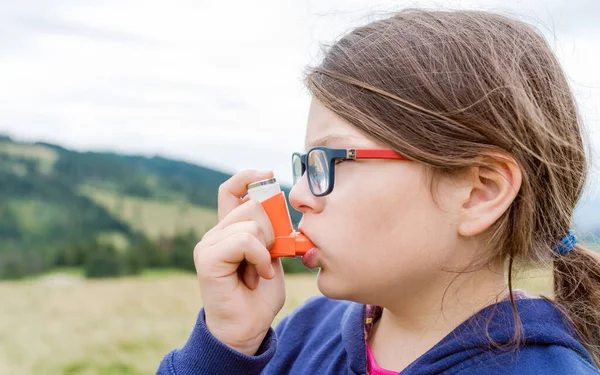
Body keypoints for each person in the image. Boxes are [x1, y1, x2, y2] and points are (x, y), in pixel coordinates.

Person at [156, 9, 600, 375]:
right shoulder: (306, 332)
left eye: (329, 163)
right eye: (305, 166)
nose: (299, 197)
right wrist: (225, 346)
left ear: (479, 192)